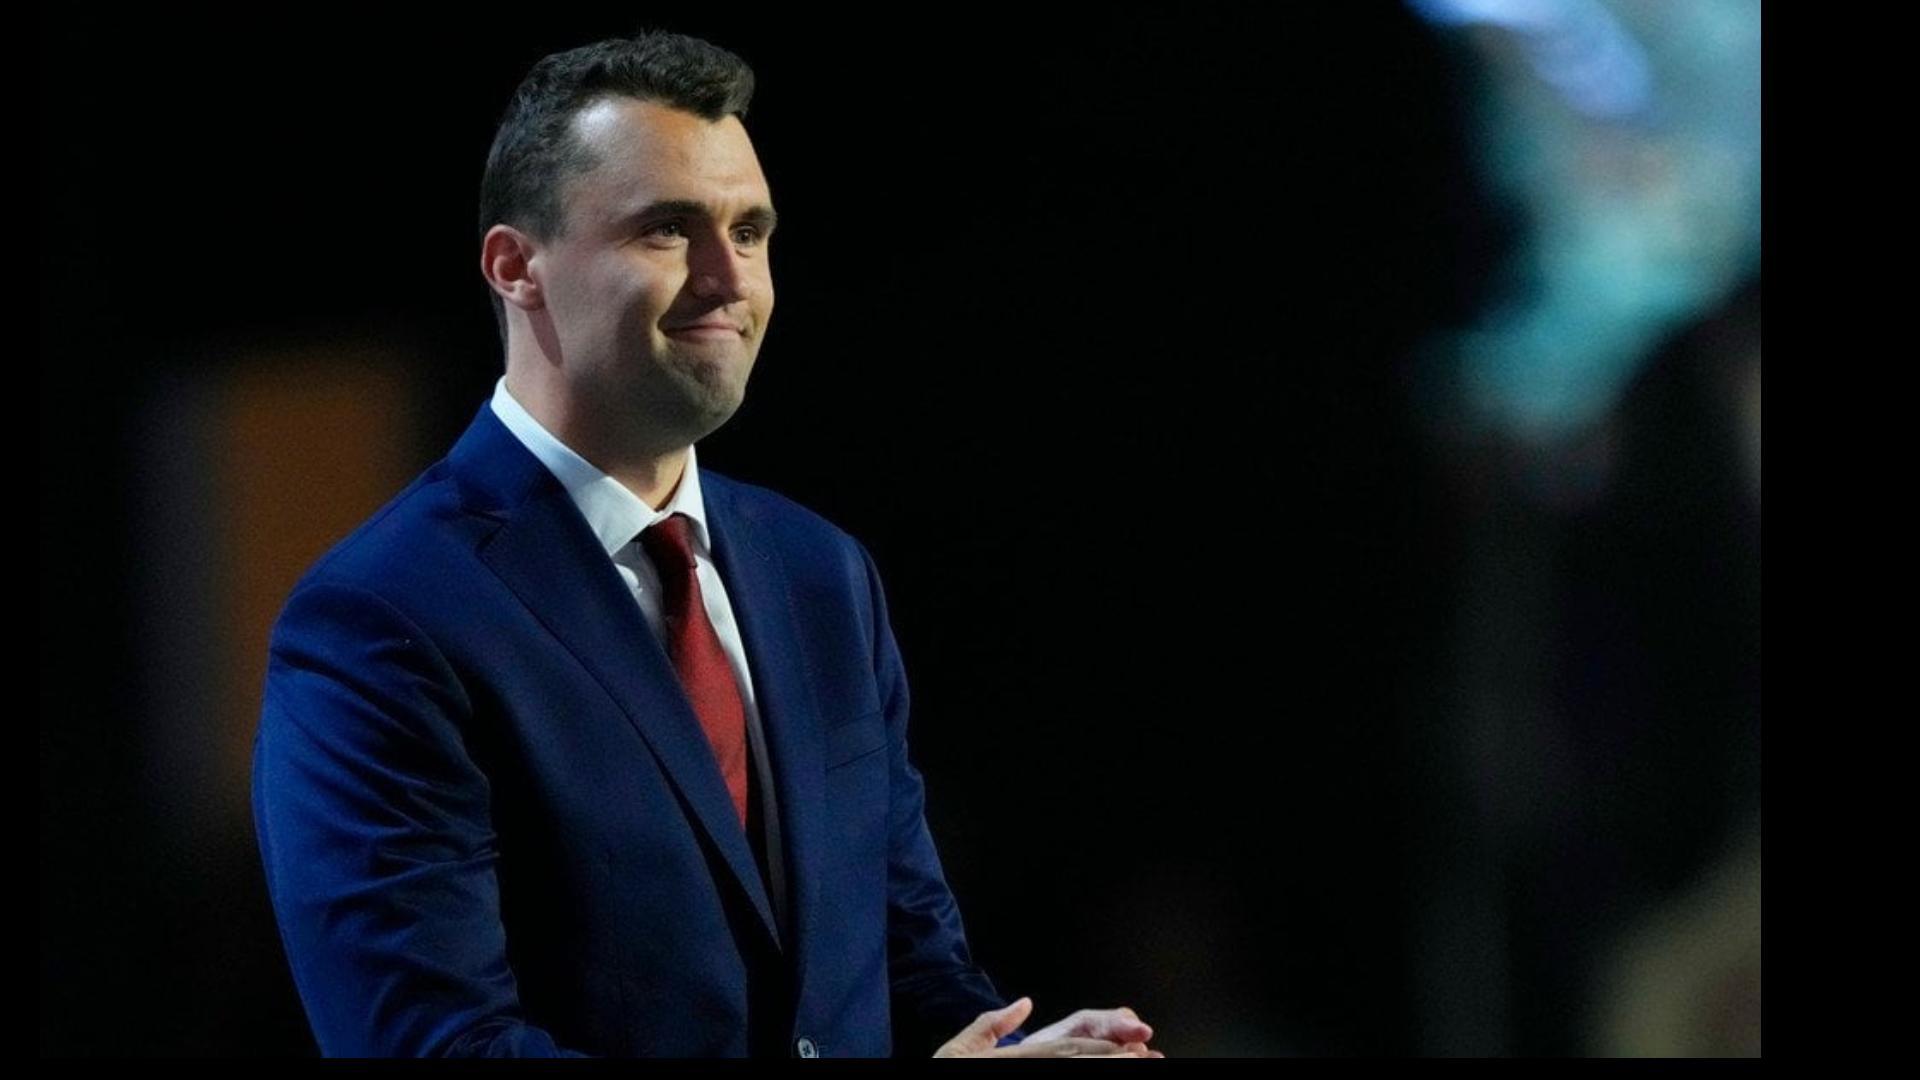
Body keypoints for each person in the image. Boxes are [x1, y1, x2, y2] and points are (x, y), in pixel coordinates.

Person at [250, 31, 1160, 1059]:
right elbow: (436, 1044)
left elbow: (907, 962)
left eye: (752, 230)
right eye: (669, 230)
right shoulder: (382, 618)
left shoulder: (821, 573)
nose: (730, 278)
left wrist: (1006, 1052)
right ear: (516, 267)